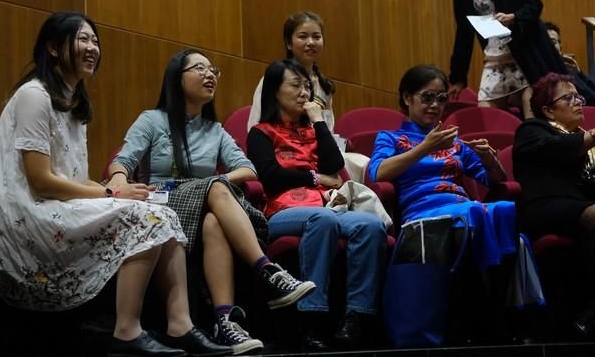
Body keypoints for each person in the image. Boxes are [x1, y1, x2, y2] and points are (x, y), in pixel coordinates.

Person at [0, 12, 231, 357]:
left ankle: (180, 324)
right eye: (83, 39)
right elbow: (40, 182)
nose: (92, 47)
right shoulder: (34, 96)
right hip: (28, 217)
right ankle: (126, 330)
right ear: (53, 48)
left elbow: (73, 178)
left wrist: (122, 193)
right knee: (145, 218)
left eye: (95, 40)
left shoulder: (75, 104)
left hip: (57, 203)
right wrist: (112, 191)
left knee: (159, 210)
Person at [106, 48, 316, 355]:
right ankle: (269, 271)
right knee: (216, 189)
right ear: (177, 79)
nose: (209, 75)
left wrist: (210, 185)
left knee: (215, 217)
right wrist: (120, 180)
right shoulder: (152, 120)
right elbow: (122, 161)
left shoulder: (214, 130)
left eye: (212, 70)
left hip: (201, 207)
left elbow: (248, 169)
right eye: (200, 69)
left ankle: (224, 321)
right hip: (163, 202)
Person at [247, 59, 387, 349]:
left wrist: (319, 121)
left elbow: (335, 166)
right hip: (281, 211)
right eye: (295, 85)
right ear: (275, 91)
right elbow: (271, 177)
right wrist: (315, 177)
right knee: (322, 220)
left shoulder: (313, 129)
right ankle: (312, 317)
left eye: (307, 86)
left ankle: (357, 315)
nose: (304, 92)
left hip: (325, 209)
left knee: (370, 225)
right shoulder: (261, 132)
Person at [368, 64, 515, 270]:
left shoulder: (454, 142)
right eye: (427, 97)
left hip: (461, 205)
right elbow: (377, 172)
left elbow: (495, 180)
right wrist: (425, 147)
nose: (435, 105)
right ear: (407, 98)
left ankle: (508, 295)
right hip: (422, 211)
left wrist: (489, 159)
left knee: (507, 209)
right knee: (475, 211)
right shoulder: (390, 137)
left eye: (441, 98)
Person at [513, 72, 595, 332]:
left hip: (578, 206)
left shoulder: (585, 142)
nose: (578, 102)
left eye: (579, 96)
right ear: (548, 110)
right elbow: (556, 148)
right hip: (543, 206)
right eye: (569, 97)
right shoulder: (531, 130)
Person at [247, 11, 367, 181]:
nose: (311, 42)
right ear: (289, 43)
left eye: (316, 37)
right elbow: (256, 125)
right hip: (284, 156)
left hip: (318, 155)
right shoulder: (272, 79)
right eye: (303, 37)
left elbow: (328, 128)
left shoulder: (325, 86)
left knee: (362, 163)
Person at [545, 21, 595, 105]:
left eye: (553, 42)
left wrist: (579, 73)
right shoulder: (546, 72)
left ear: (560, 47)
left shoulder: (568, 67)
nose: (550, 46)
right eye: (546, 42)